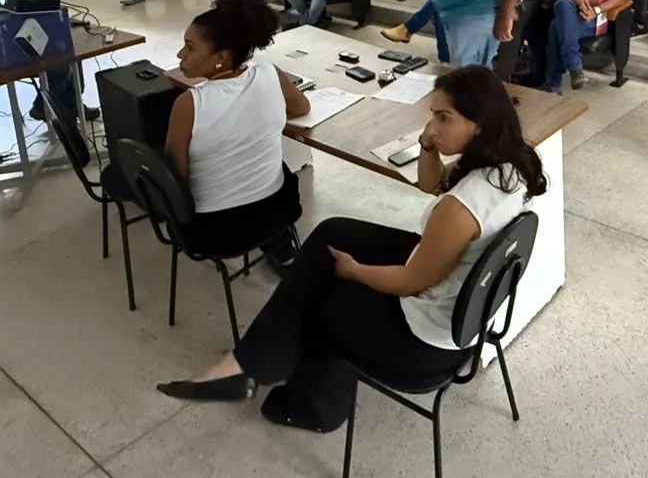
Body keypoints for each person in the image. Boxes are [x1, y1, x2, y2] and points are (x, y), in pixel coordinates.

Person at [154, 66, 547, 436]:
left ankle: (309, 407)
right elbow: (431, 184)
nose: (431, 127)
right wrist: (428, 145)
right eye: (432, 116)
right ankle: (250, 362)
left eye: (444, 118)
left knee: (321, 295)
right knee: (332, 233)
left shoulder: (460, 210)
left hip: (424, 343)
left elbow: (410, 283)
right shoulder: (511, 165)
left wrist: (354, 271)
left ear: (479, 124)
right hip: (459, 308)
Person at [103, 0, 307, 255]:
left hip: (217, 232)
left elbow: (178, 177)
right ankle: (281, 248)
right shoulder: (271, 73)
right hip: (279, 212)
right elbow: (302, 108)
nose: (180, 54)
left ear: (221, 57)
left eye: (190, 48)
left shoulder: (189, 104)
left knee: (117, 173)